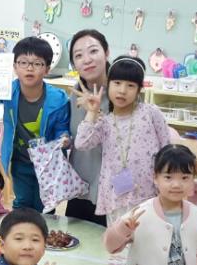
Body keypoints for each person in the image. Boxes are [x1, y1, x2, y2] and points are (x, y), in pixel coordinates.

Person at [0, 36, 71, 212]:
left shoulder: (58, 98)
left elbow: (62, 129)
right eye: (23, 62)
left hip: (47, 164)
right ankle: (19, 228)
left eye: (37, 63)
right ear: (15, 67)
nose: (29, 68)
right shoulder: (8, 90)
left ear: (47, 69)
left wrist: (64, 138)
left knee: (46, 205)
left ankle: (43, 228)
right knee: (22, 202)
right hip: (19, 161)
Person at [73, 55, 171, 224]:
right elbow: (81, 143)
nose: (122, 90)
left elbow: (166, 150)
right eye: (117, 83)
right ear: (108, 84)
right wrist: (92, 112)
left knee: (148, 237)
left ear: (139, 89)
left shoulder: (150, 113)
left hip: (149, 195)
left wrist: (166, 187)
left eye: (130, 85)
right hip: (116, 198)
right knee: (119, 238)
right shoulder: (104, 121)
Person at [65, 29, 110, 226]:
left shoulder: (123, 92)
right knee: (76, 240)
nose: (87, 60)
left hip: (113, 190)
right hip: (80, 186)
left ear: (106, 53)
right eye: (78, 55)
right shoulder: (74, 95)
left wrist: (96, 113)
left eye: (93, 51)